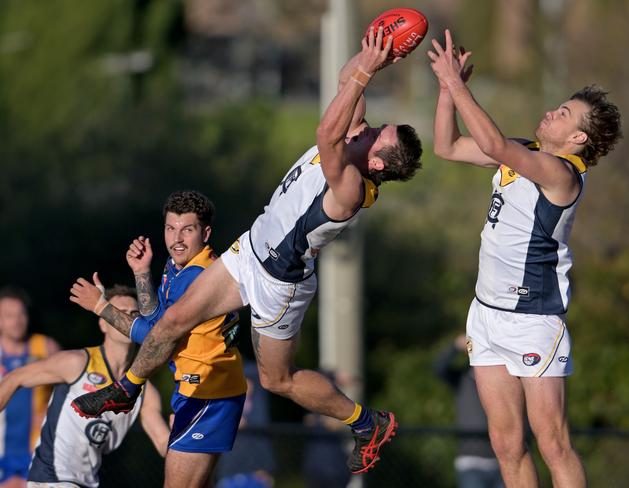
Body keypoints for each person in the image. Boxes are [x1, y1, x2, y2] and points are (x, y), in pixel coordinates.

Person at [71, 26, 423, 475]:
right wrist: (377, 55)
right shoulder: (354, 139)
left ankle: (365, 422)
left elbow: (325, 131)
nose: (368, 128)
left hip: (280, 283)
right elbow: (346, 79)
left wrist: (366, 76)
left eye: (377, 135)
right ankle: (127, 389)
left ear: (377, 161)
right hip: (248, 252)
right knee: (173, 319)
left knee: (279, 380)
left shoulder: (352, 184)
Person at [428, 30, 622, 488]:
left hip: (532, 317)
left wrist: (458, 84)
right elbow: (447, 146)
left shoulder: (561, 174)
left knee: (552, 442)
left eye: (565, 114)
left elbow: (495, 146)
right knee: (506, 444)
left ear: (577, 137)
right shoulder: (529, 153)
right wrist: (444, 90)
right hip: (486, 315)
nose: (553, 111)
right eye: (559, 105)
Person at [70, 190, 247, 488]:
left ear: (205, 232)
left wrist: (100, 306)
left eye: (187, 230)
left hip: (208, 393)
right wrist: (141, 272)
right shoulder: (178, 265)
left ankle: (124, 390)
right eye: (170, 228)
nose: (176, 239)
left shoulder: (198, 276)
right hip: (199, 389)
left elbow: (156, 338)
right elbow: (156, 318)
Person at [0, 285, 169, 488]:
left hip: (87, 481)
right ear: (103, 324)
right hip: (52, 477)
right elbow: (15, 378)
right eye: (119, 313)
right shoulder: (77, 362)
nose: (127, 319)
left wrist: (183, 439)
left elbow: (162, 442)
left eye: (134, 314)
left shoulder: (145, 391)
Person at [0, 287, 60, 488]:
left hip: (38, 451)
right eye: (9, 315)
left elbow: (69, 391)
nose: (17, 321)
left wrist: (52, 412)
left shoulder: (46, 347)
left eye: (21, 314)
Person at [435, 334, 503, 488]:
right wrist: (456, 346)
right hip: (471, 460)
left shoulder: (503, 379)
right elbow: (439, 368)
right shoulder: (462, 378)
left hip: (503, 459)